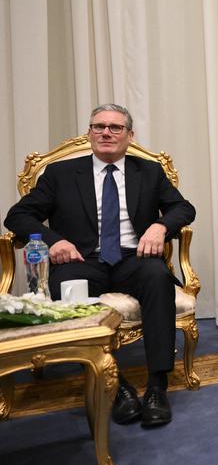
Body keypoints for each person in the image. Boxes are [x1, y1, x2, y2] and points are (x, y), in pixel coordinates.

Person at [5, 104, 195, 428]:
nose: (106, 133)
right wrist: (54, 241)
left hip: (133, 258)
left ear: (130, 136)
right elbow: (17, 216)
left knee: (158, 278)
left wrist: (160, 227)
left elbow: (183, 208)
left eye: (115, 128)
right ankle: (116, 386)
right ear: (89, 133)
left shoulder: (148, 171)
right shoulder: (60, 174)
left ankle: (156, 386)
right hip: (81, 259)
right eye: (99, 127)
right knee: (68, 289)